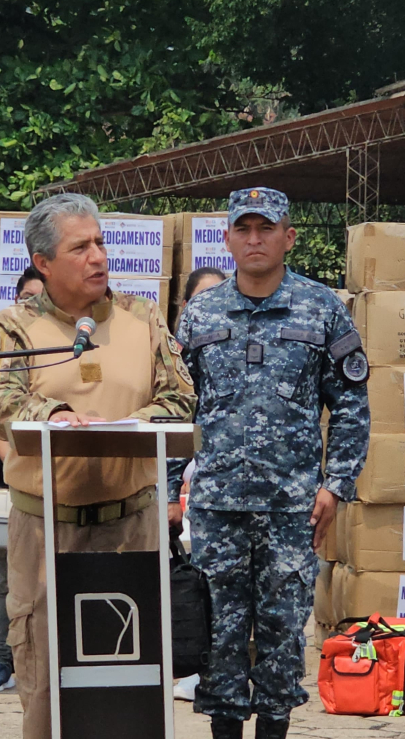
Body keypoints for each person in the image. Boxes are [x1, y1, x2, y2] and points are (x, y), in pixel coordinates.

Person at [0, 193, 195, 738]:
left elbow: (181, 399)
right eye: (80, 247)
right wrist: (55, 415)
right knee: (45, 675)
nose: (98, 256)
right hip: (45, 529)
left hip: (131, 527)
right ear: (43, 263)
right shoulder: (13, 327)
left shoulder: (141, 318)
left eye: (100, 243)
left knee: (129, 678)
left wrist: (128, 426)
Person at [174, 188, 370, 739]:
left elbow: (351, 405)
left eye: (266, 228)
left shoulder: (321, 307)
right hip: (217, 504)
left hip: (292, 506)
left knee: (283, 630)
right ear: (227, 239)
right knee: (220, 631)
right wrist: (168, 490)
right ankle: (224, 728)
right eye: (244, 229)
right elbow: (175, 405)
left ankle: (274, 728)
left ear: (289, 237)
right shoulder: (200, 313)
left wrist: (336, 485)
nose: (254, 239)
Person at [0, 266, 44, 694]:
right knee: (3, 578)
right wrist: (10, 455)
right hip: (9, 479)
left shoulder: (64, 341)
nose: (33, 305)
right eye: (27, 297)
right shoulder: (2, 340)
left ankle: (41, 661)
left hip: (58, 479)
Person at [168, 266, 226, 704]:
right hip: (202, 499)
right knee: (204, 591)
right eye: (203, 297)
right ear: (186, 306)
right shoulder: (180, 353)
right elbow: (176, 418)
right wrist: (171, 491)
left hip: (257, 498)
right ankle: (199, 669)